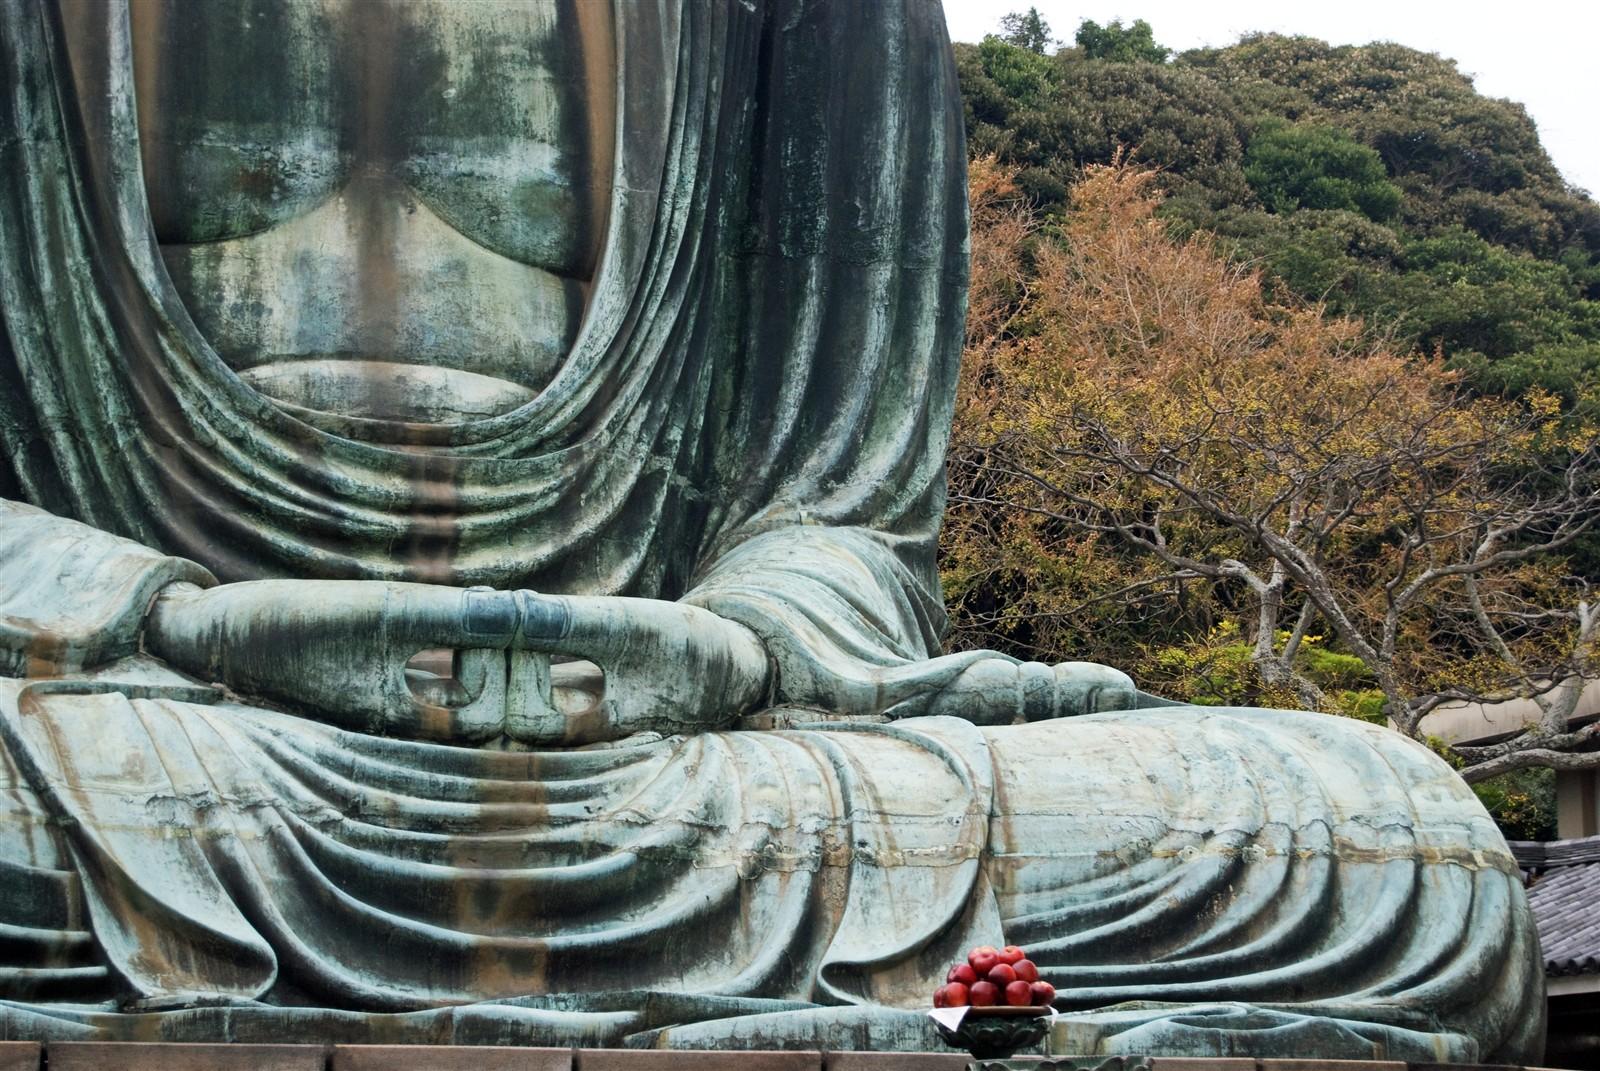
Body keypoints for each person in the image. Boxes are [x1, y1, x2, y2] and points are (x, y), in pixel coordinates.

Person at [0, 0, 1542, 1059]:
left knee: (1378, 835)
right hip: (128, 720)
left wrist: (745, 647)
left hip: (687, 752)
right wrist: (164, 616)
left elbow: (839, 507)